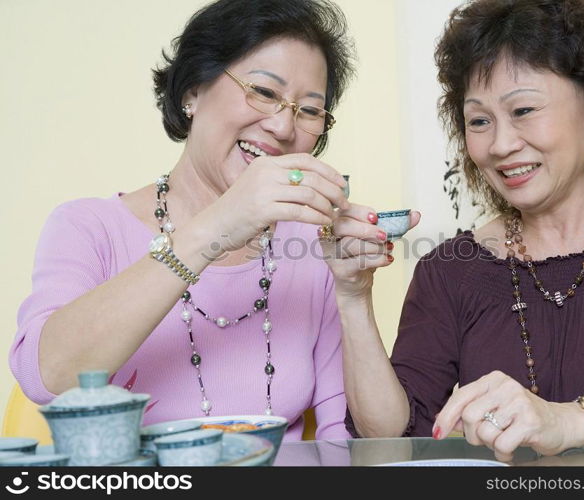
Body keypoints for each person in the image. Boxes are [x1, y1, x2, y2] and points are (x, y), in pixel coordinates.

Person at [323, 0, 584, 461]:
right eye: (479, 121)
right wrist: (353, 297)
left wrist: (569, 421)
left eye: (523, 110)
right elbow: (391, 436)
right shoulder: (450, 271)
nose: (500, 145)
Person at [11, 0, 356, 441]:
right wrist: (215, 227)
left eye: (308, 110)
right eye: (265, 92)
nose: (284, 127)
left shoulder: (310, 243)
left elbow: (339, 434)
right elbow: (46, 376)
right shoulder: (88, 226)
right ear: (192, 92)